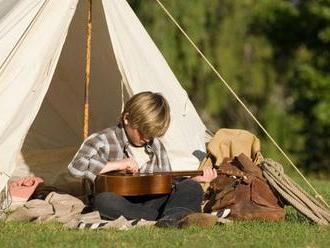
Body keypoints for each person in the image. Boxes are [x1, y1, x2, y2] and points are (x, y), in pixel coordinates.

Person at [68, 91, 217, 226]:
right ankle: (173, 217)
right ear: (127, 118)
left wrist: (193, 180)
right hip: (121, 201)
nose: (147, 138)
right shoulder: (102, 141)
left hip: (152, 201)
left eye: (151, 134)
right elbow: (76, 165)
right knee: (104, 202)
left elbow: (165, 182)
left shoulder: (156, 145)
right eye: (143, 132)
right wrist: (118, 164)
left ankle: (172, 216)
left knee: (192, 187)